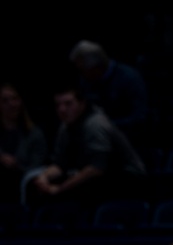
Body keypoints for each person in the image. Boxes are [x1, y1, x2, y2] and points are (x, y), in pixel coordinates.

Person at [25, 83, 146, 213]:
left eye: (68, 104)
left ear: (81, 104)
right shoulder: (65, 128)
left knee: (79, 191)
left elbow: (97, 168)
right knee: (36, 186)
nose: (62, 109)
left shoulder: (95, 124)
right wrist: (44, 177)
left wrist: (60, 189)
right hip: (96, 176)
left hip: (126, 178)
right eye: (58, 105)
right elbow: (60, 164)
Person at [68, 40, 149, 145]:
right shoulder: (86, 81)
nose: (81, 75)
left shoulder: (129, 78)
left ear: (96, 67)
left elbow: (140, 117)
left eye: (83, 70)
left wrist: (106, 126)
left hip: (129, 140)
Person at [0, 82, 47, 204]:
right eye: (5, 101)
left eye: (14, 99)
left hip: (21, 189)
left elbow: (38, 167)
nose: (11, 104)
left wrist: (17, 166)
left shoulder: (34, 134)